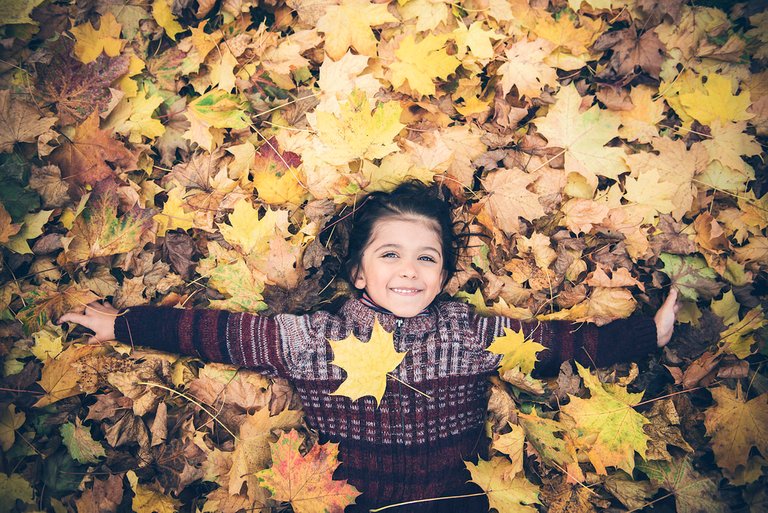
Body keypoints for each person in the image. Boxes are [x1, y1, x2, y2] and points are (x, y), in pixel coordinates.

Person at [59, 181, 679, 513]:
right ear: (359, 273)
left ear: (442, 273)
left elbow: (560, 342)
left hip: (454, 505)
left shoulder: (468, 332)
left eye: (425, 258)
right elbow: (216, 333)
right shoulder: (313, 339)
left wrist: (645, 334)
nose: (409, 271)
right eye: (390, 255)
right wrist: (126, 325)